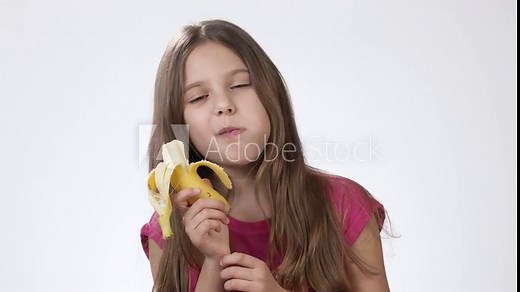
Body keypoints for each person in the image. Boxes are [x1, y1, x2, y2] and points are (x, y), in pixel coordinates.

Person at [140, 19, 390, 292]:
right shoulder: (168, 235)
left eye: (239, 85)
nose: (223, 105)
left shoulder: (344, 207)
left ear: (272, 93)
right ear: (179, 124)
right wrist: (213, 263)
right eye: (199, 97)